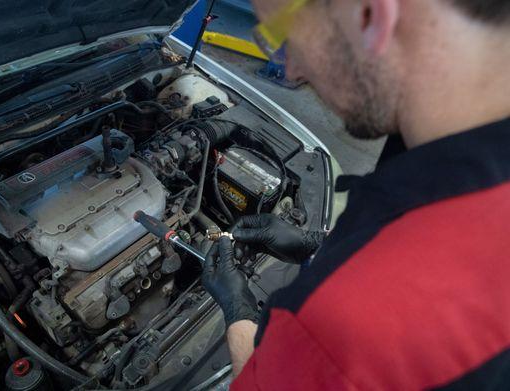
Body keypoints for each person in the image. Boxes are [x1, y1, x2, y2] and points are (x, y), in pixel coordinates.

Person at [201, 0, 510, 389]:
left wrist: (237, 308)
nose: (292, 69)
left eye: (282, 36)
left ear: (369, 14)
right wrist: (315, 247)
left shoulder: (346, 330)